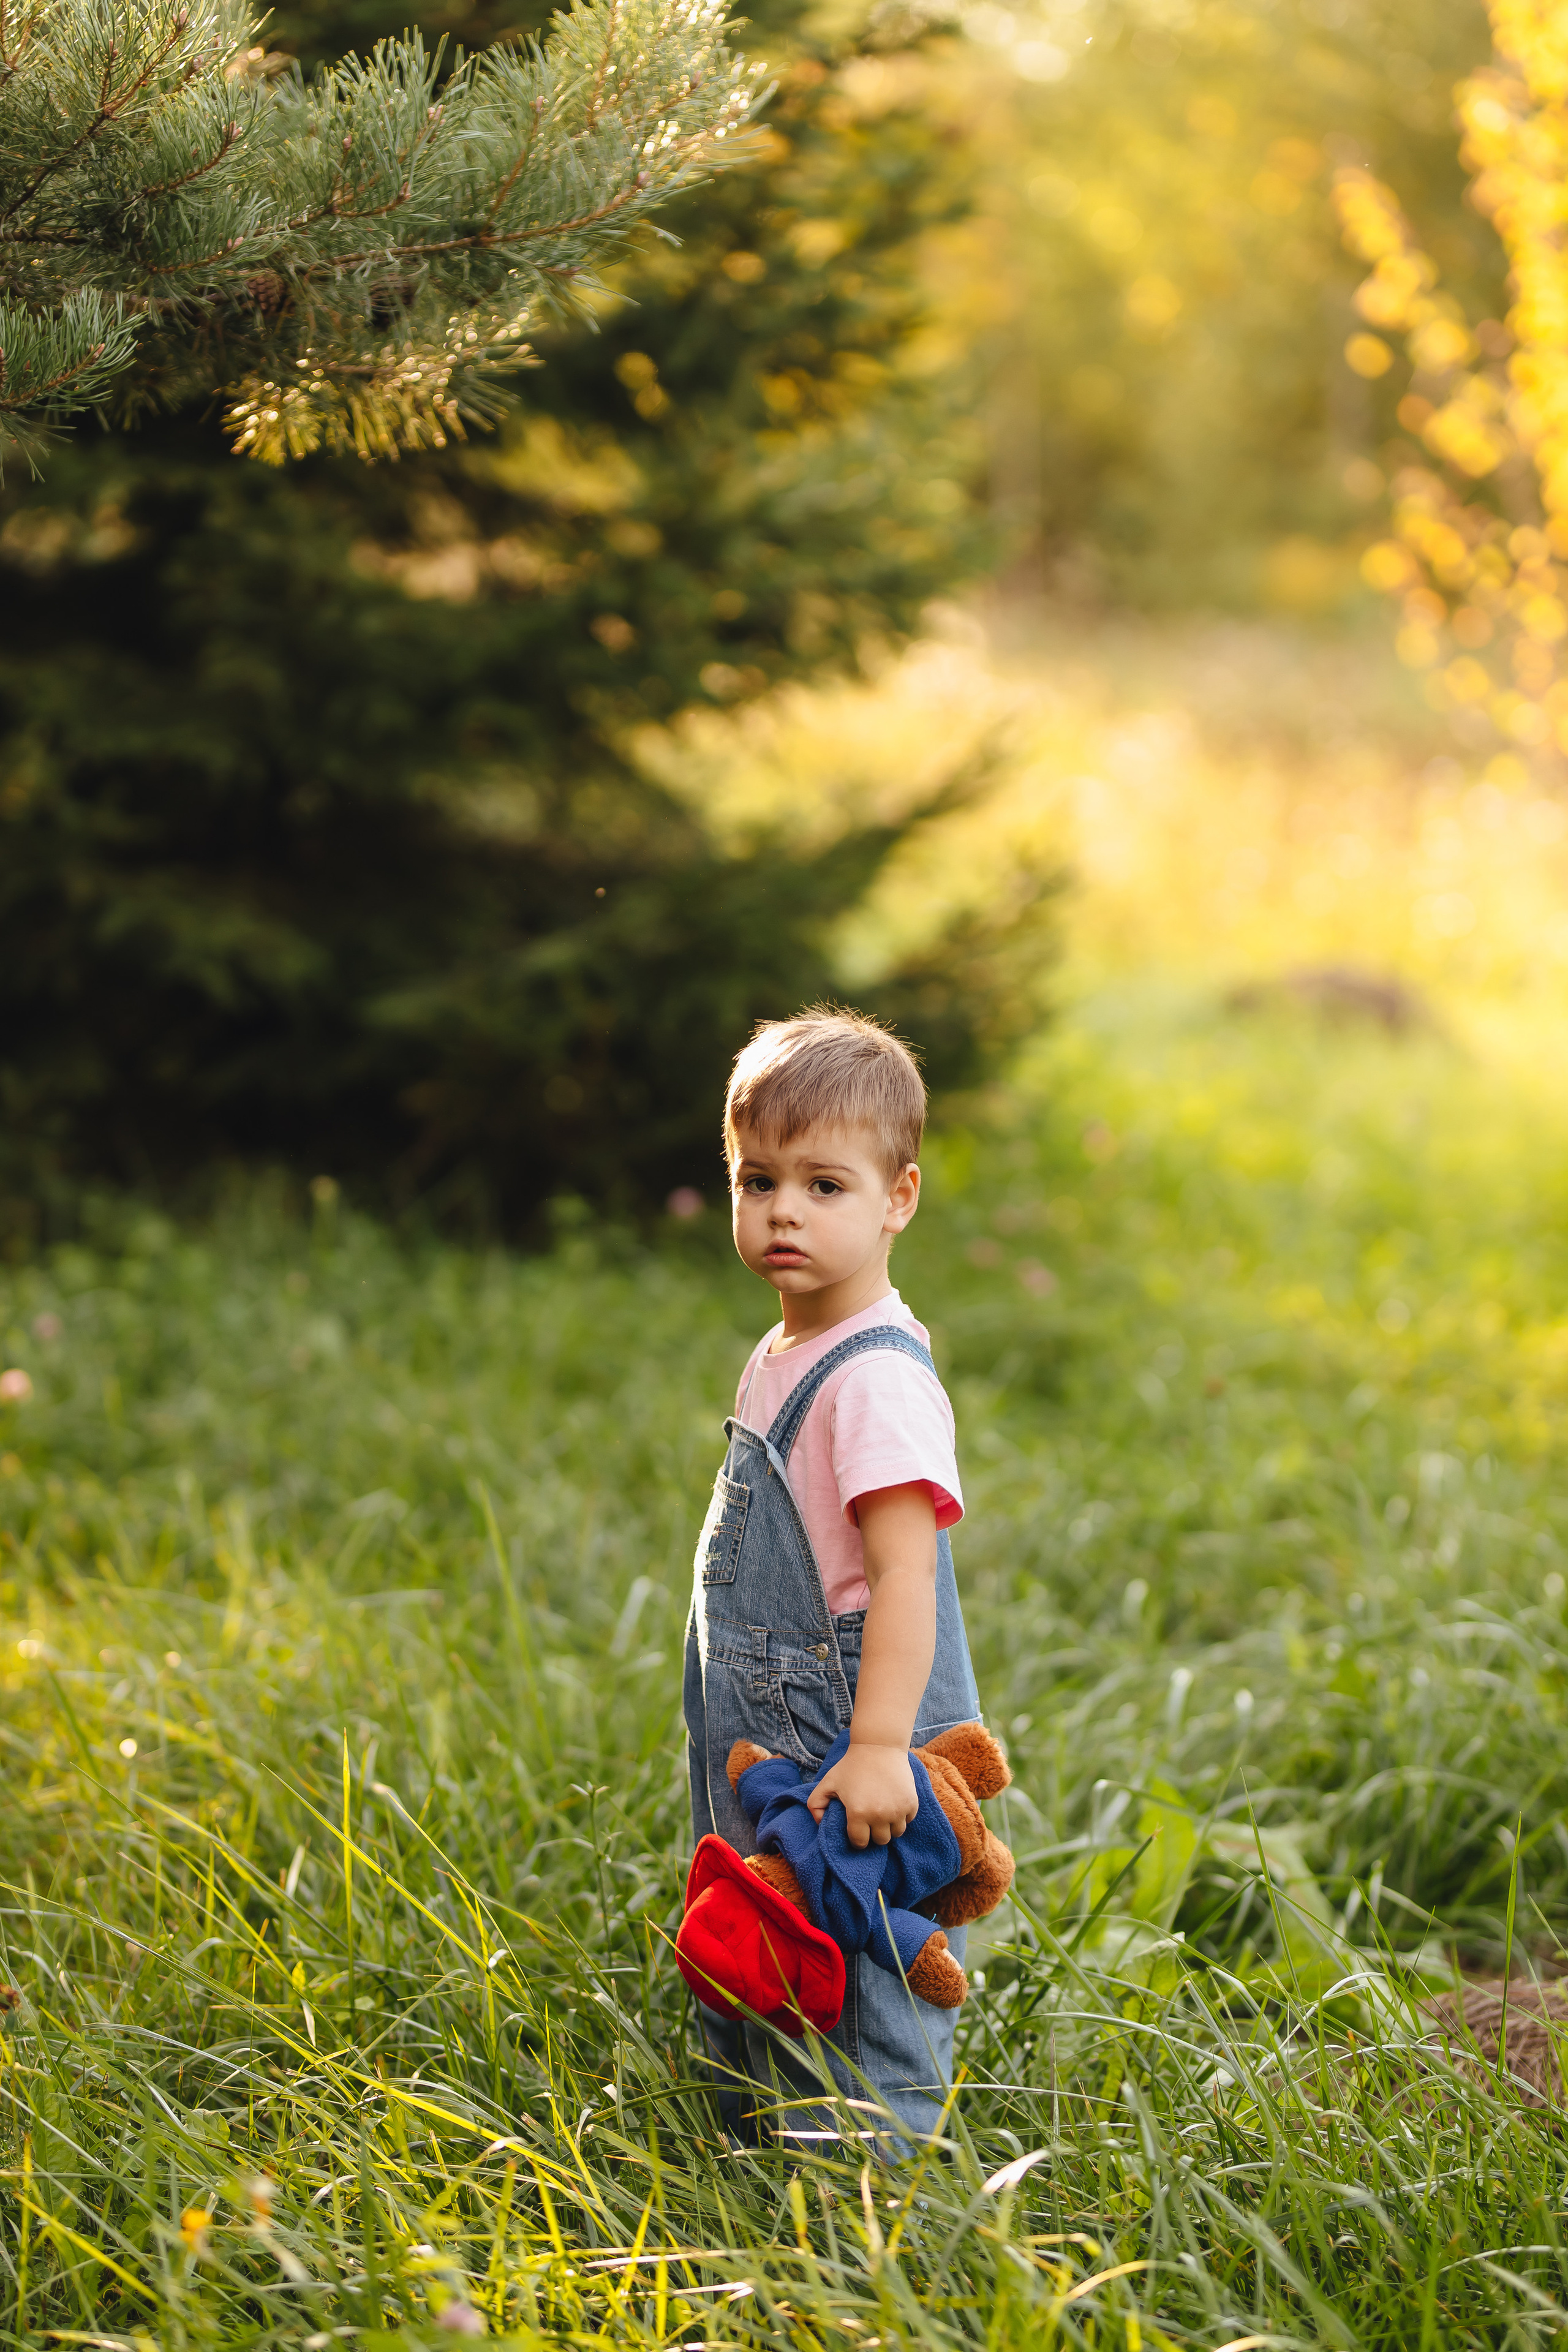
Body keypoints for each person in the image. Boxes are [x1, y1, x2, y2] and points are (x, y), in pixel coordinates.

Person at [682, 1005, 987, 2146]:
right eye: (757, 1181)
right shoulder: (789, 1346)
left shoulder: (873, 1382)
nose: (782, 1213)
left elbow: (907, 1578)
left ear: (898, 1197)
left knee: (865, 1953)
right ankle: (758, 2143)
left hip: (850, 1719)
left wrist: (876, 1750)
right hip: (765, 1714)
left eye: (825, 1186)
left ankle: (882, 2192)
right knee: (766, 1922)